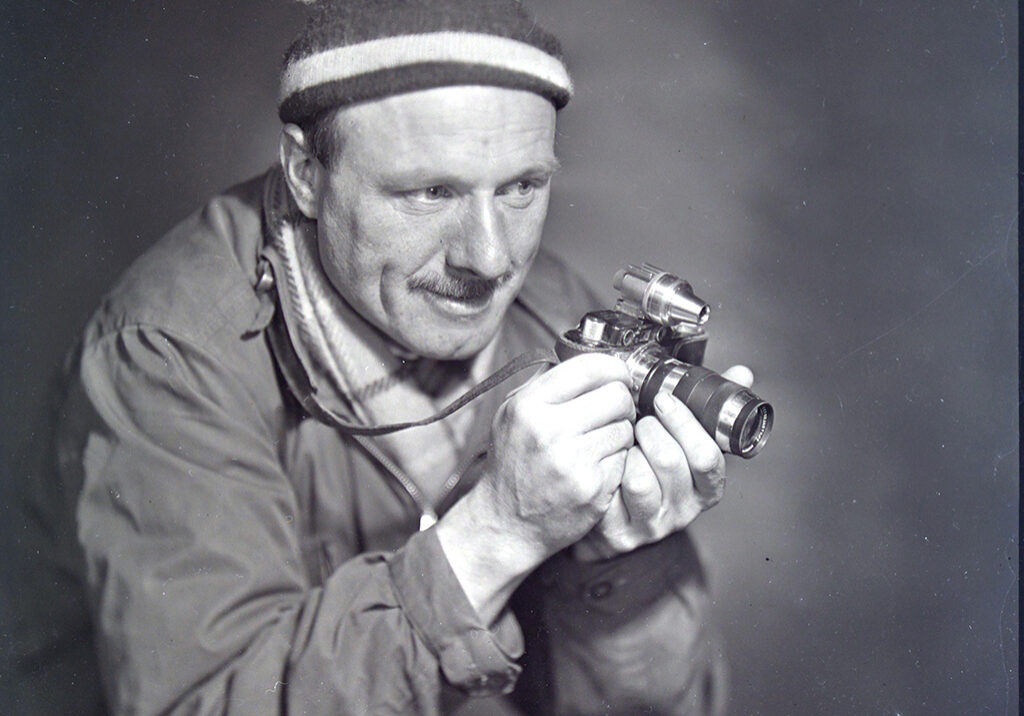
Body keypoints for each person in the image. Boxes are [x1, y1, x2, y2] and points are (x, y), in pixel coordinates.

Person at [8, 1, 753, 713]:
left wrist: (620, 567)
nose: (491, 259)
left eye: (523, 186)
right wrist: (497, 533)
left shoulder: (551, 311)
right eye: (430, 192)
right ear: (306, 173)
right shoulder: (166, 357)